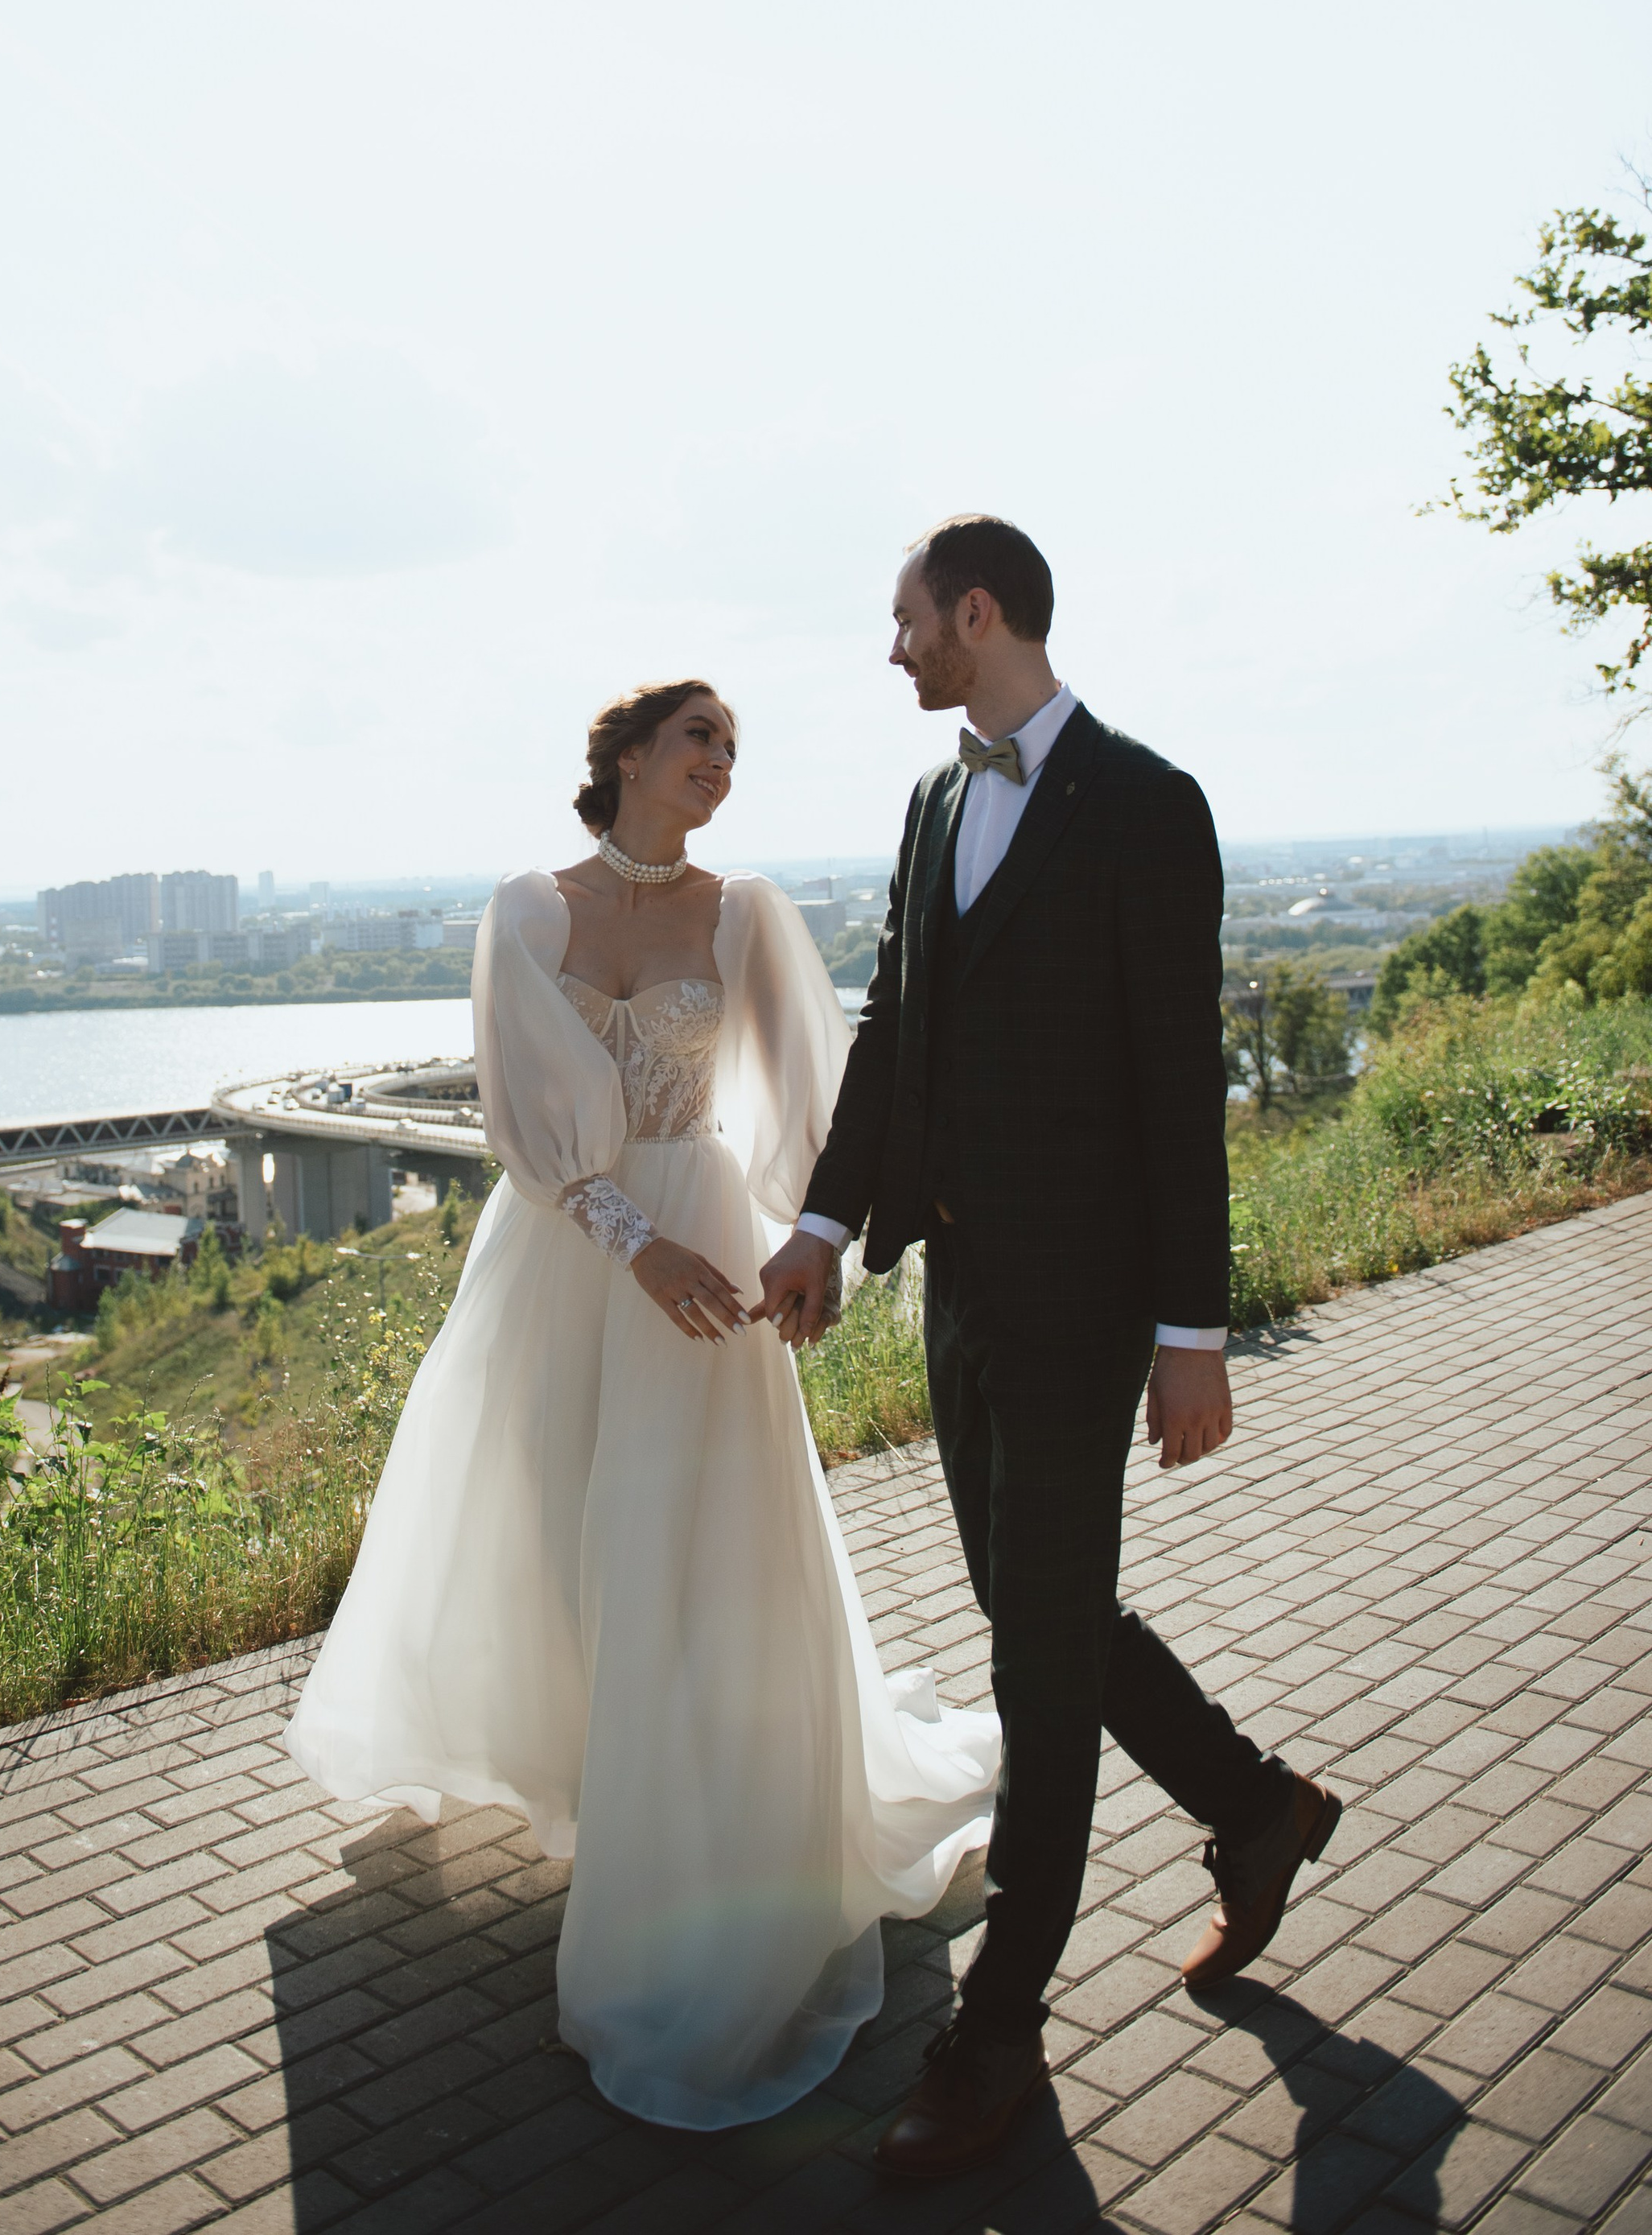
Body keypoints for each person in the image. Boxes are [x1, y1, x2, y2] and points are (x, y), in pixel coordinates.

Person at [286, 677, 1000, 2130]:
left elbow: (824, 1093)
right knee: (554, 1527)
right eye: (698, 740)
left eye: (734, 749)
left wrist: (820, 1238)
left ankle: (686, 1859)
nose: (722, 765)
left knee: (688, 1552)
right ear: (621, 756)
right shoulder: (525, 911)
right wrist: (632, 1243)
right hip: (569, 1257)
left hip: (709, 1259)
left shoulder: (745, 916)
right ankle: (601, 1784)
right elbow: (522, 1129)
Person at [756, 514, 1343, 2179]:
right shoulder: (936, 798)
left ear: (976, 610)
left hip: (1091, 1312)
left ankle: (996, 2029)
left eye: (901, 622)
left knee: (1035, 1669)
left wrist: (1190, 1331)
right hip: (957, 1292)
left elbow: (1176, 1083)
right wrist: (819, 1220)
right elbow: (899, 1024)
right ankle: (1253, 1806)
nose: (890, 652)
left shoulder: (1149, 808)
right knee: (1041, 1612)